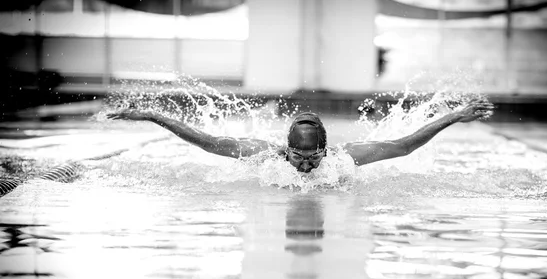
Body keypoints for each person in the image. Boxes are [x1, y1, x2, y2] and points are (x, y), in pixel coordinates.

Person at [106, 100, 493, 173]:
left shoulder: (346, 157)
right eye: (299, 157)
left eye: (313, 157)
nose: (306, 164)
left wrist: (453, 117)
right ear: (287, 149)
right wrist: (154, 116)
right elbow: (205, 140)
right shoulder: (263, 155)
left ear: (325, 150)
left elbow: (404, 146)